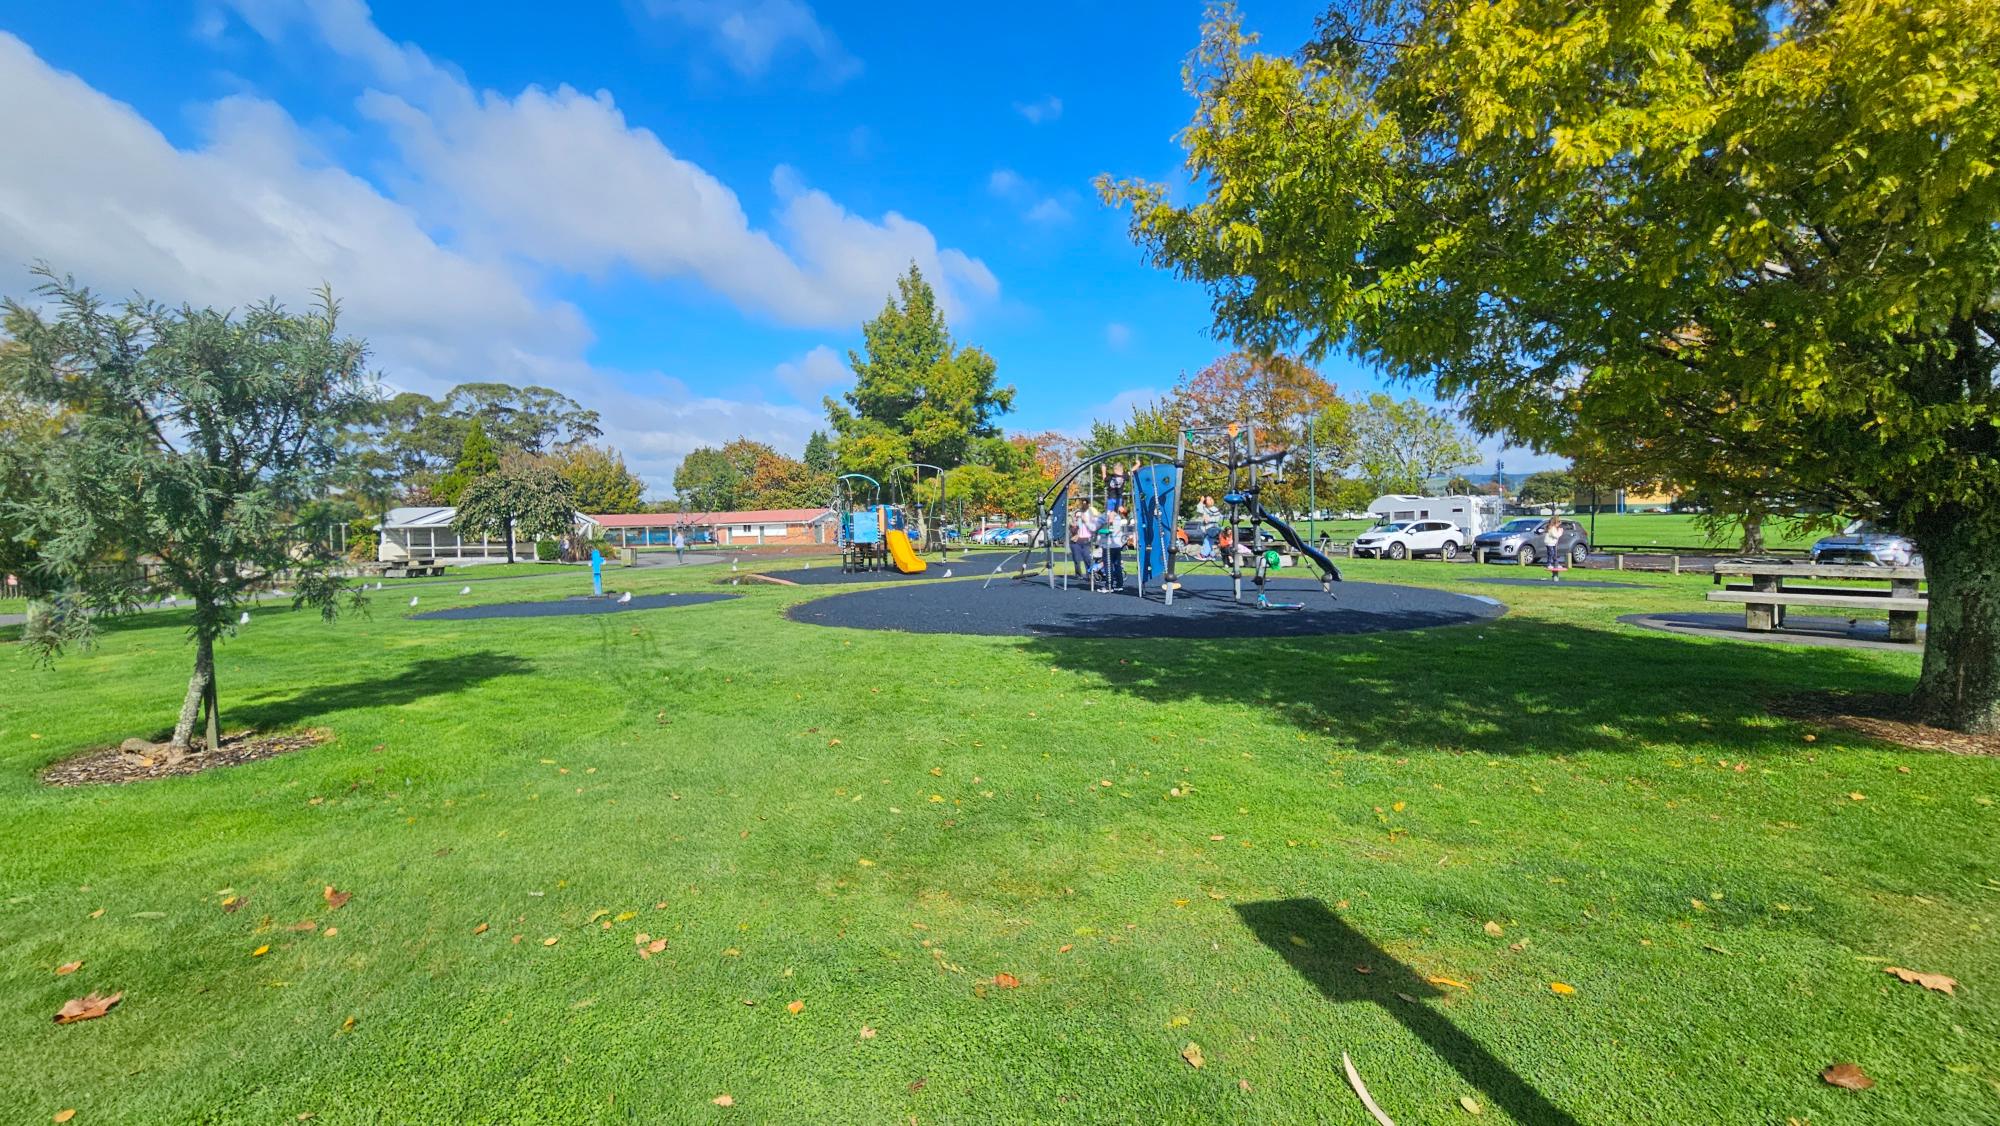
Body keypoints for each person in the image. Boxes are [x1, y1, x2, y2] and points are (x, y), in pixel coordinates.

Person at [1070, 504, 1100, 582]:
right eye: (1077, 516)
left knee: (1087, 559)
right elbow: (1073, 532)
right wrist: (1076, 524)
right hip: (1076, 542)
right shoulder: (1073, 524)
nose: (1078, 517)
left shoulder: (1087, 523)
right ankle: (1078, 575)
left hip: (1085, 541)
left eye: (1080, 516)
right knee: (1076, 559)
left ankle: (1090, 574)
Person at [1102, 503, 1128, 591]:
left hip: (1110, 545)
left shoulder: (1110, 517)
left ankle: (1109, 585)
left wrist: (1099, 531)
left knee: (1108, 565)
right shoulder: (1119, 518)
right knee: (1117, 565)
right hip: (1117, 545)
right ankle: (1119, 584)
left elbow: (1108, 530)